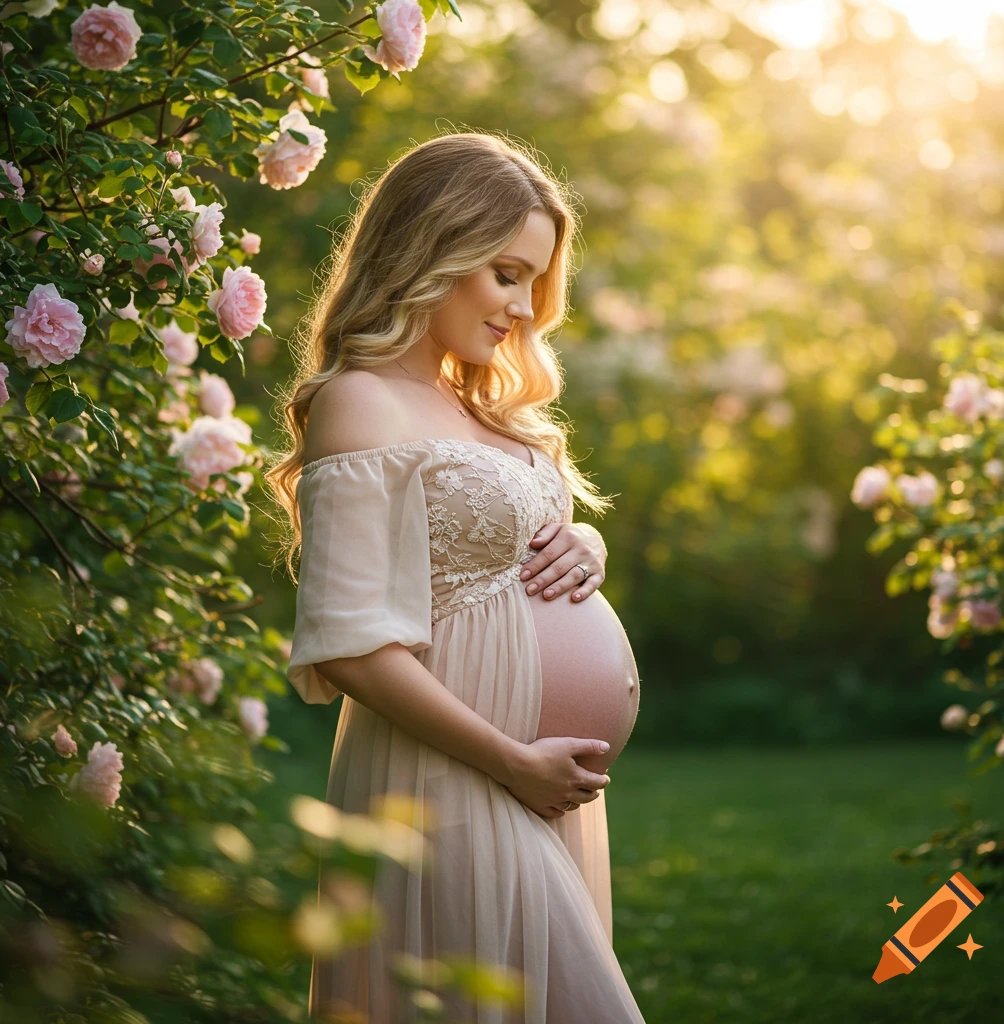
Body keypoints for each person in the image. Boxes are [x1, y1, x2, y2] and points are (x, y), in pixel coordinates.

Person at [266, 131, 646, 1023]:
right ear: (433, 248)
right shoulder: (359, 399)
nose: (521, 306)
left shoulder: (476, 401)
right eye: (505, 273)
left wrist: (584, 546)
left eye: (533, 282)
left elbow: (514, 547)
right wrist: (512, 761)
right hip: (456, 779)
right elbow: (353, 645)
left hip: (535, 783)